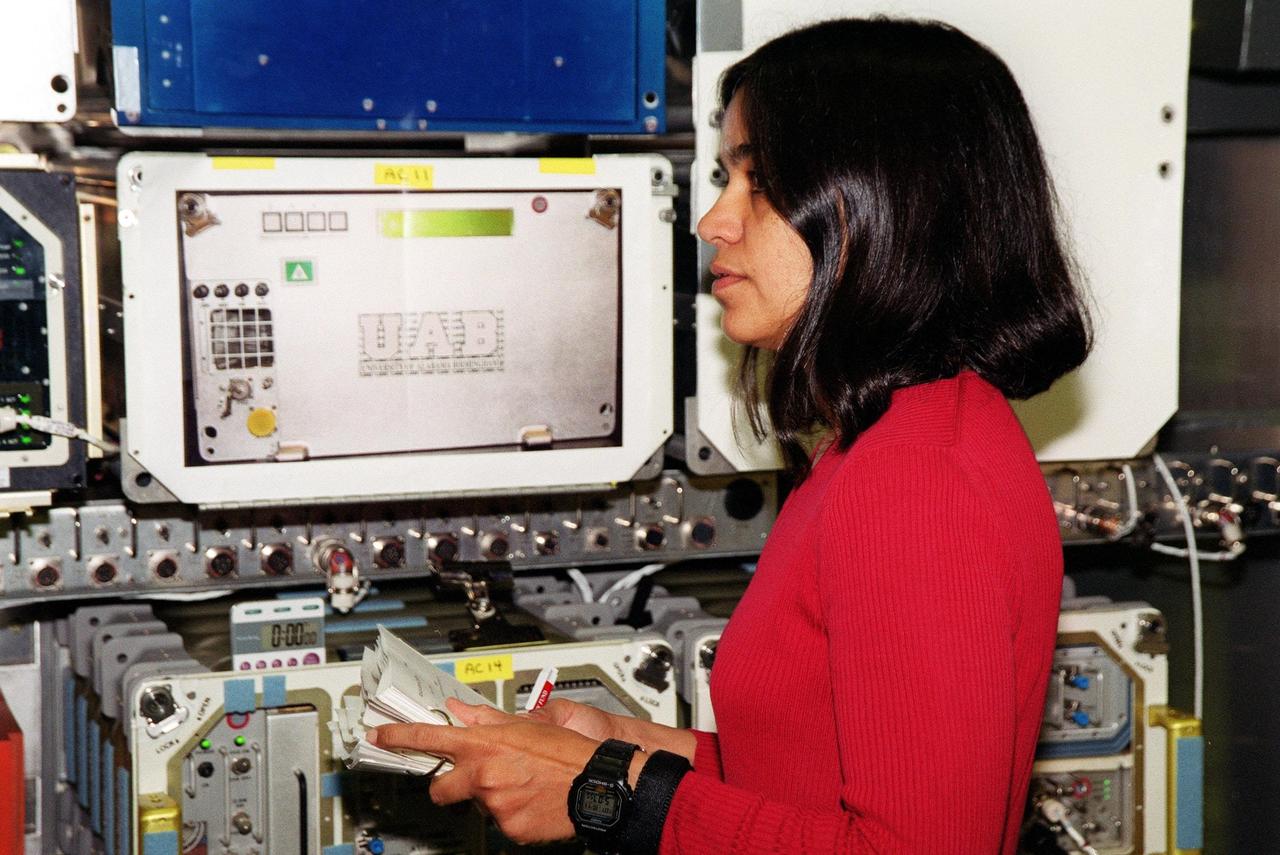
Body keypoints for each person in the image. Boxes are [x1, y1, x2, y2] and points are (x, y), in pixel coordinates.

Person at [367, 16, 1091, 854]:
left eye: (761, 181)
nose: (712, 220)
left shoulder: (914, 479)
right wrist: (620, 749)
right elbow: (807, 779)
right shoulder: (899, 437)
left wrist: (607, 796)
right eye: (724, 178)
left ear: (888, 204)